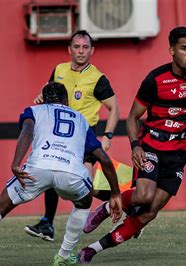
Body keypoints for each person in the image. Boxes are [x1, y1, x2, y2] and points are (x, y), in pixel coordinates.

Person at [76, 26, 186, 263]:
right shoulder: (155, 80)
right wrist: (136, 146)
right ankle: (105, 208)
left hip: (178, 155)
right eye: (184, 48)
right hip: (151, 147)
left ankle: (92, 250)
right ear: (172, 50)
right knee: (143, 196)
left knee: (152, 210)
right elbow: (132, 117)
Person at [0, 82, 122, 266]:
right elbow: (104, 159)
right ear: (66, 100)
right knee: (84, 202)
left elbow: (27, 131)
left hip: (38, 169)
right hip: (71, 172)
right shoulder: (81, 119)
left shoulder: (33, 111)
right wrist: (115, 193)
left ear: (44, 99)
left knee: (0, 206)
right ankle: (63, 255)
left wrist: (15, 163)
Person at [24, 30, 120, 242]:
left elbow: (114, 108)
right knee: (56, 176)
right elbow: (49, 92)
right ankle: (47, 224)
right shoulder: (59, 70)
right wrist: (42, 96)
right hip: (61, 136)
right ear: (69, 49)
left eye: (85, 47)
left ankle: (125, 203)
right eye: (77, 47)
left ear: (92, 51)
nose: (80, 51)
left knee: (83, 186)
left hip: (85, 137)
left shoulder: (97, 78)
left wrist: (108, 136)